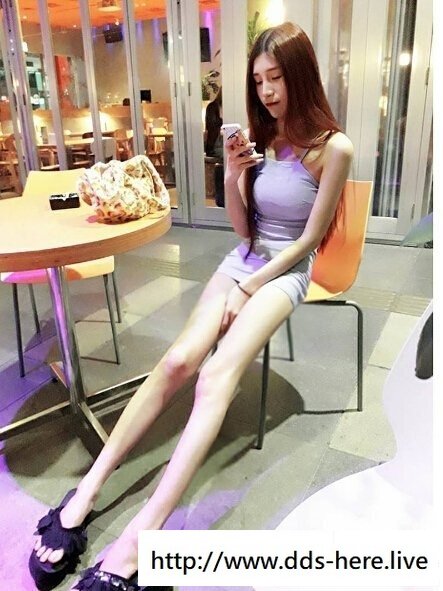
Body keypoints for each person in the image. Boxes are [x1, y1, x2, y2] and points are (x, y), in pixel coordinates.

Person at [29, 21, 353, 591]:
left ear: (301, 76)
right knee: (178, 359)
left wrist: (249, 289)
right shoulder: (264, 137)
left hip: (284, 274)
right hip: (244, 257)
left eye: (277, 78)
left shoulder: (334, 149)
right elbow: (243, 230)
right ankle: (85, 493)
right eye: (259, 80)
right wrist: (233, 174)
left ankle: (141, 540)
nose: (267, 91)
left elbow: (308, 242)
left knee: (216, 376)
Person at [204, 87, 225, 206]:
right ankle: (221, 196)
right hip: (215, 144)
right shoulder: (212, 107)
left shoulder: (230, 106)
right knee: (226, 156)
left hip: (225, 142)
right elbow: (211, 127)